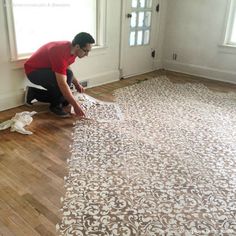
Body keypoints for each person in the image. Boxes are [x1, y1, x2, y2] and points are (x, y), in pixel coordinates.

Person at [24, 32, 95, 117]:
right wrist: (76, 106)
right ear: (77, 46)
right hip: (34, 72)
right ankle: (55, 107)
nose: (87, 54)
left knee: (65, 100)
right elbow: (62, 83)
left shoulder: (72, 50)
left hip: (47, 70)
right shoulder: (59, 52)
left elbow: (66, 66)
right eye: (86, 51)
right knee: (67, 78)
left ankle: (33, 93)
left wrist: (76, 84)